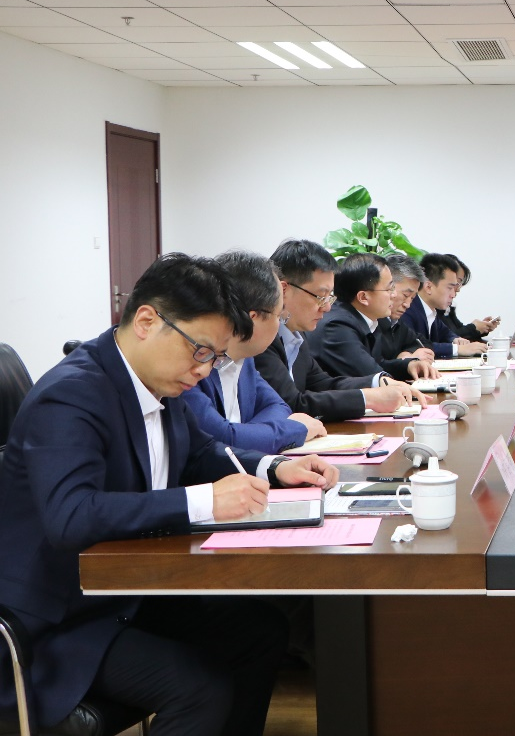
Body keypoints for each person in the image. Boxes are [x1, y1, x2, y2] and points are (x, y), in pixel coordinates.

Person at [0, 253, 339, 734]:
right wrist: (203, 501)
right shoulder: (72, 395)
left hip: (123, 595)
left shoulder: (158, 382)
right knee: (199, 687)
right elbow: (71, 516)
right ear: (146, 321)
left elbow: (200, 453)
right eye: (200, 351)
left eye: (215, 357)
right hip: (57, 622)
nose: (205, 369)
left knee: (260, 630)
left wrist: (277, 468)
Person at [253, 239, 427, 423]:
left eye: (329, 297)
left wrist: (377, 382)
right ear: (284, 290)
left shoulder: (295, 333)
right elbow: (292, 404)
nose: (327, 307)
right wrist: (367, 398)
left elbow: (321, 383)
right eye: (320, 296)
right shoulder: (261, 338)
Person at [182, 250, 326, 454]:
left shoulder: (246, 358)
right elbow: (221, 439)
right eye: (279, 316)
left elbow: (279, 406)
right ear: (252, 319)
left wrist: (247, 434)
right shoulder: (192, 363)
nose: (280, 325)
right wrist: (293, 429)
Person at [306, 253, 437, 380]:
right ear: (363, 297)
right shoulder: (337, 327)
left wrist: (408, 366)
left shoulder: (367, 320)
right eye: (389, 289)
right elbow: (373, 376)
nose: (393, 295)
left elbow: (378, 365)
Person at [400, 253, 487, 358]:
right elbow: (417, 345)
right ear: (428, 287)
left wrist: (456, 339)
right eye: (449, 288)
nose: (453, 294)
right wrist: (457, 349)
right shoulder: (407, 310)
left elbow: (446, 333)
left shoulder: (431, 311)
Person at [441, 255, 498, 342]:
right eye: (457, 283)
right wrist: (474, 327)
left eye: (459, 283)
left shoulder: (447, 308)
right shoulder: (434, 310)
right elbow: (446, 339)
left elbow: (458, 332)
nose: (458, 289)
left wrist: (481, 328)